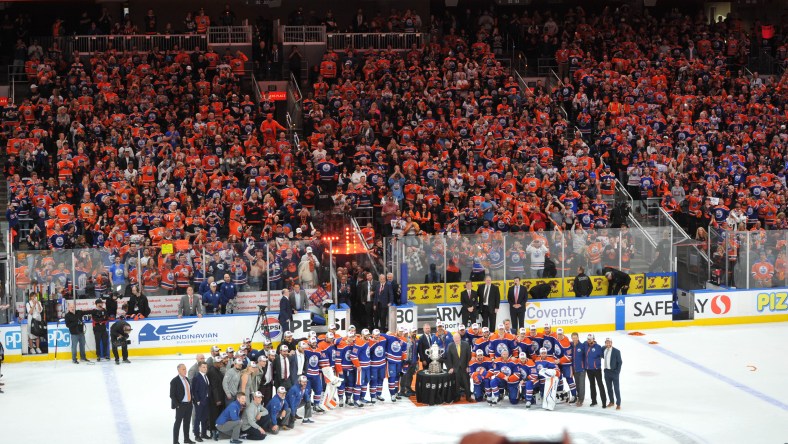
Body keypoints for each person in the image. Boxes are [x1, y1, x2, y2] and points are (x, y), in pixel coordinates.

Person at [170, 363, 195, 444]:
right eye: (183, 369)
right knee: (178, 423)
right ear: (178, 370)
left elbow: (189, 391)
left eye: (185, 369)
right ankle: (175, 441)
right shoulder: (174, 381)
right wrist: (177, 405)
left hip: (188, 405)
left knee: (187, 422)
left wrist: (191, 402)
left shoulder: (186, 379)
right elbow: (172, 395)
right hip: (180, 406)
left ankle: (186, 439)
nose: (185, 371)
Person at [445, 332, 471, 402]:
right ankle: (457, 397)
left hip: (465, 368)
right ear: (453, 339)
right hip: (455, 368)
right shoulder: (450, 346)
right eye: (455, 339)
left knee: (466, 383)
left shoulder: (466, 344)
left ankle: (468, 397)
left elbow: (469, 356)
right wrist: (450, 368)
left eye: (457, 338)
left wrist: (468, 366)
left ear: (460, 338)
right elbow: (449, 358)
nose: (456, 340)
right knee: (456, 384)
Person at [584, 334, 608, 408]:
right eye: (588, 339)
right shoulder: (585, 345)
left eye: (590, 339)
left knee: (600, 385)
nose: (589, 340)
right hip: (589, 370)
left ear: (593, 339)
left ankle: (604, 402)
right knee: (592, 386)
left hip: (597, 370)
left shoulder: (598, 347)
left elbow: (602, 355)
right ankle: (594, 401)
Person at [191, 362, 211, 442]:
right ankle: (196, 435)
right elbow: (194, 391)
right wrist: (197, 401)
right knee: (198, 419)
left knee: (204, 418)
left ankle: (203, 433)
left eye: (206, 367)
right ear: (199, 368)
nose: (205, 368)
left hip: (206, 400)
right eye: (203, 367)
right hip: (199, 402)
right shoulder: (196, 377)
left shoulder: (205, 376)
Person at [603, 338, 622, 410]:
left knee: (616, 389)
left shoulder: (616, 351)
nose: (608, 344)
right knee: (609, 388)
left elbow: (620, 362)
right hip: (607, 372)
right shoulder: (604, 350)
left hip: (614, 372)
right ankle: (611, 401)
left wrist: (617, 371)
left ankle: (618, 403)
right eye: (606, 343)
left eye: (609, 342)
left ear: (611, 343)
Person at [571, 332, 586, 407]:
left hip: (582, 369)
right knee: (577, 385)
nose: (574, 339)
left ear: (578, 337)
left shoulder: (582, 346)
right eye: (573, 338)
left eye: (575, 337)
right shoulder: (571, 345)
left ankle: (581, 400)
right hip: (575, 369)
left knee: (581, 385)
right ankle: (578, 398)